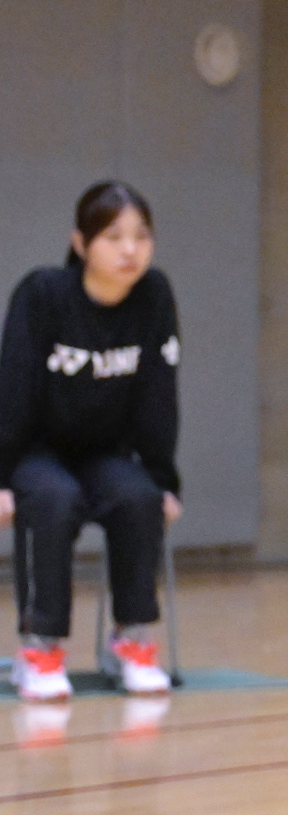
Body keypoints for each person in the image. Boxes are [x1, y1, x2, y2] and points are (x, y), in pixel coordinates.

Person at [0, 181, 183, 702]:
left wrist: (164, 480)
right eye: (113, 236)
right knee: (53, 500)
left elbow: (158, 395)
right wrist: (2, 479)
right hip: (36, 452)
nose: (130, 250)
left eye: (141, 236)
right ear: (80, 243)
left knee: (139, 498)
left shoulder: (154, 296)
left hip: (104, 453)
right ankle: (40, 650)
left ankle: (131, 642)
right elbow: (13, 390)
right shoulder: (42, 295)